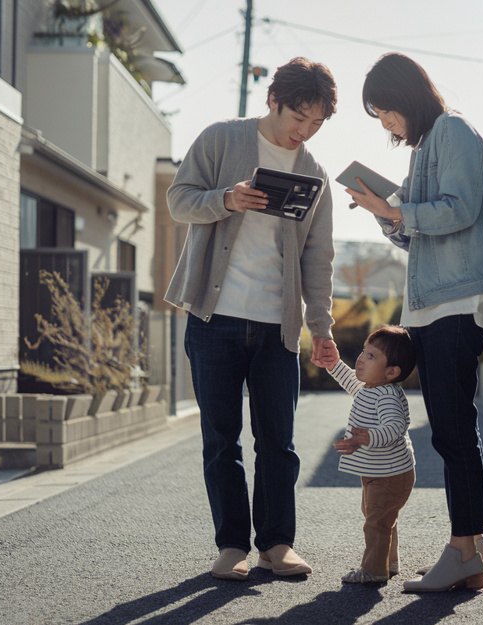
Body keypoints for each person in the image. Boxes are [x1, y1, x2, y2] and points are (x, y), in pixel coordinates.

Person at [345, 52, 483, 592]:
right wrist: (384, 211)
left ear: (404, 96)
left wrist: (400, 211)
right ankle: (474, 552)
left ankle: (463, 549)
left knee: (452, 431)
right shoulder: (426, 149)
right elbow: (416, 231)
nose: (385, 124)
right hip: (431, 302)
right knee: (453, 429)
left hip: (456, 300)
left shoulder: (453, 130)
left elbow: (462, 208)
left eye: (384, 111)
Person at [164, 57, 340, 581]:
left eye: (315, 125)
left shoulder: (313, 174)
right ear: (273, 101)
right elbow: (178, 201)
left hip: (276, 326)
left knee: (279, 444)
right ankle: (231, 545)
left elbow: (318, 258)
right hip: (213, 318)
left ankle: (277, 544)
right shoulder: (221, 139)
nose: (302, 133)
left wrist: (323, 328)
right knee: (222, 439)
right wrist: (226, 199)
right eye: (298, 119)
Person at [326, 325, 417, 584]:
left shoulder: (386, 396)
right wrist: (334, 364)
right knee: (380, 517)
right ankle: (388, 562)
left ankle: (373, 570)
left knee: (376, 521)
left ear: (391, 372)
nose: (361, 359)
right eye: (364, 352)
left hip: (390, 474)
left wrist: (366, 437)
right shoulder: (371, 388)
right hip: (381, 471)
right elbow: (350, 381)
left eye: (371, 356)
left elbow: (396, 426)